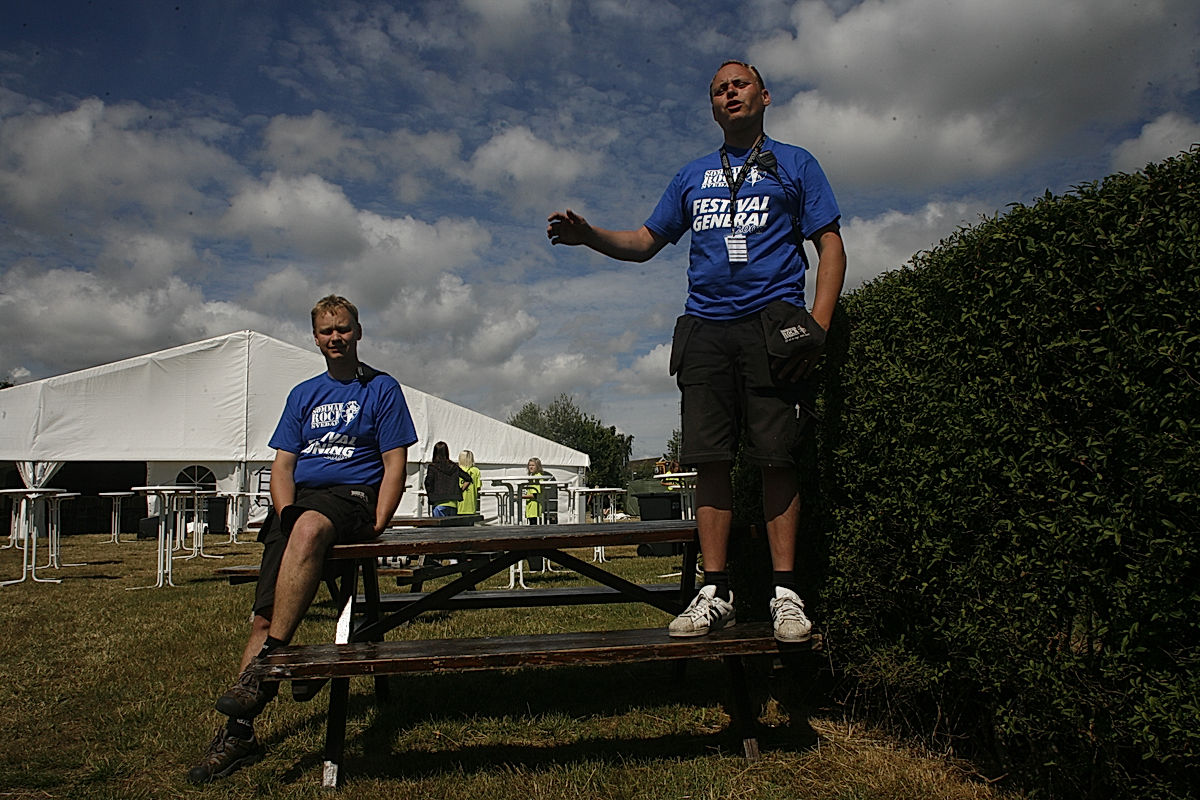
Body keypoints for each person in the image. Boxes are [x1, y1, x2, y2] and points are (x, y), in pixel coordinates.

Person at [546, 60, 847, 643]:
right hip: (706, 330)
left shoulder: (797, 163)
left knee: (777, 459)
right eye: (719, 90)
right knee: (709, 460)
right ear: (712, 107)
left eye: (739, 85)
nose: (730, 93)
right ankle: (716, 592)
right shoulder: (691, 175)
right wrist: (590, 237)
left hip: (772, 324)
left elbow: (829, 246)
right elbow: (644, 241)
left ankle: (786, 593)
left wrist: (818, 327)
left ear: (764, 95)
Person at [187, 295, 418, 783]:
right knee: (264, 615)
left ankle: (268, 664)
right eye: (326, 331)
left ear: (359, 332)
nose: (336, 338)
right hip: (303, 504)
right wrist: (285, 512)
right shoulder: (303, 394)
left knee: (311, 526)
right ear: (315, 338)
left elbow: (395, 460)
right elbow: (283, 466)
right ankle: (239, 734)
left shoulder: (382, 388)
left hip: (351, 497)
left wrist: (379, 520)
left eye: (343, 329)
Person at [423, 441, 472, 517]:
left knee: (439, 524)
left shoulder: (433, 467)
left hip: (438, 502)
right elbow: (468, 478)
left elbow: (428, 483)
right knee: (451, 524)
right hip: (453, 503)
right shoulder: (454, 466)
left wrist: (431, 494)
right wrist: (460, 490)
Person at [521, 457, 551, 524]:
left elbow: (535, 495)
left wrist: (520, 497)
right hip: (531, 507)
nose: (531, 467)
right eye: (529, 465)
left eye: (533, 465)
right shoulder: (532, 476)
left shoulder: (537, 477)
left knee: (534, 526)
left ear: (538, 466)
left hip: (535, 508)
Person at [456, 449, 482, 515]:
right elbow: (478, 487)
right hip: (471, 505)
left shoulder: (456, 470)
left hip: (458, 505)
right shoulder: (476, 471)